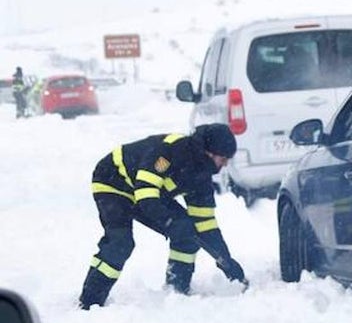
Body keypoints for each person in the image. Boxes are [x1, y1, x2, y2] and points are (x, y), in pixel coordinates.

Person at [78, 123, 247, 309]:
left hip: (148, 195)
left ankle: (177, 289)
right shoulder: (170, 151)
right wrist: (169, 221)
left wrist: (225, 260)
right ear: (209, 152)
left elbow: (205, 224)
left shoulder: (202, 177)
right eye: (223, 158)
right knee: (120, 242)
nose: (225, 164)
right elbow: (146, 194)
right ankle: (89, 301)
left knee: (188, 231)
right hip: (113, 182)